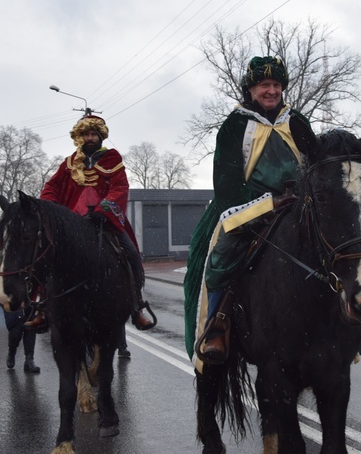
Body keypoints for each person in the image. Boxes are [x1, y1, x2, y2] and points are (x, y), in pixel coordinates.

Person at [183, 56, 310, 365]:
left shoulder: (296, 121)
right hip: (250, 208)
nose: (271, 91)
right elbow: (226, 181)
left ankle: (346, 321)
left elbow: (313, 162)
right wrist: (266, 204)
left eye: (276, 85)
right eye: (264, 85)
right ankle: (216, 326)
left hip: (297, 206)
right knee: (221, 257)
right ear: (251, 89)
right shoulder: (235, 125)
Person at [37, 112, 156, 331]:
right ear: (79, 138)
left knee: (130, 254)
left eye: (93, 134)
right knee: (46, 256)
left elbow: (120, 187)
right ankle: (42, 308)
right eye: (86, 135)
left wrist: (105, 209)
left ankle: (137, 306)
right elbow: (51, 187)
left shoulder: (112, 158)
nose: (89, 138)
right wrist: (48, 207)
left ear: (100, 137)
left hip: (104, 219)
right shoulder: (69, 163)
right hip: (73, 221)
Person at [4, 307, 40, 373]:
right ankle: (12, 352)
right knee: (15, 330)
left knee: (30, 326)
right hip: (13, 301)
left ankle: (29, 359)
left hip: (29, 301)